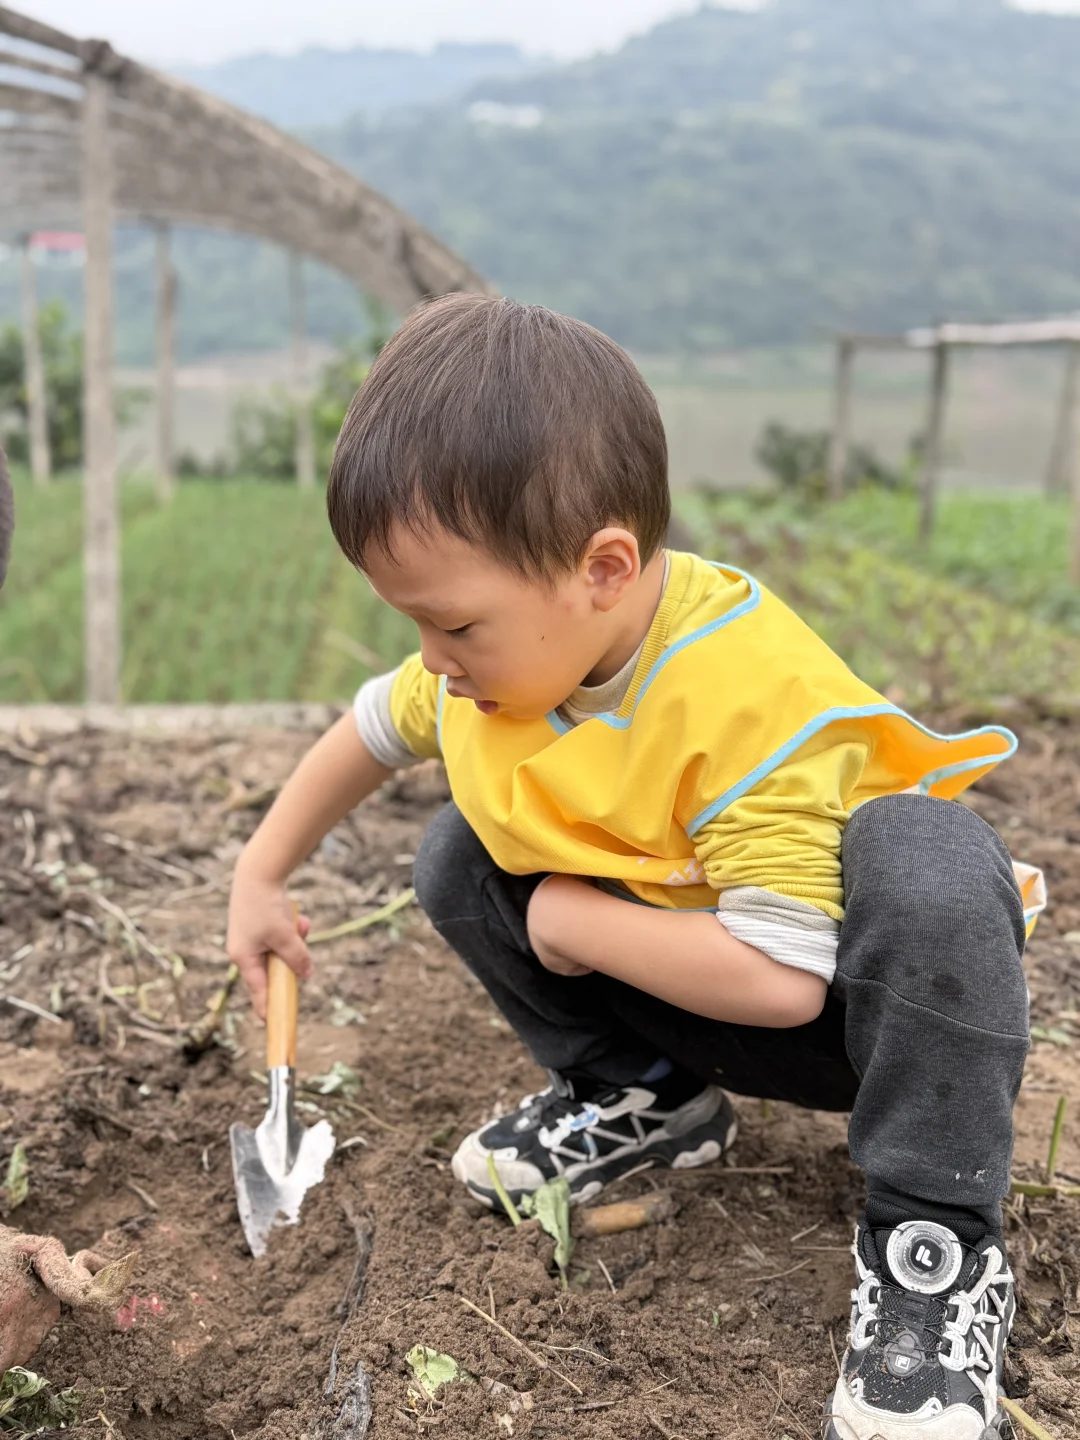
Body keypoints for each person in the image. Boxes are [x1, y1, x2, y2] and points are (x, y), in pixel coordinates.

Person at [227, 295, 1037, 1440]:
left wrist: (575, 923)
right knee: (463, 845)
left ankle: (932, 1246)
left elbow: (783, 981)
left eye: (454, 628)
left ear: (602, 567)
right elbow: (372, 728)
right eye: (415, 626)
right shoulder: (512, 648)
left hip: (866, 1022)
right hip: (685, 981)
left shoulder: (738, 696)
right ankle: (646, 1099)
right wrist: (260, 877)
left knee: (932, 860)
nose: (433, 661)